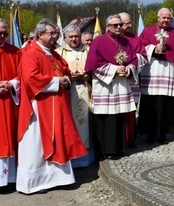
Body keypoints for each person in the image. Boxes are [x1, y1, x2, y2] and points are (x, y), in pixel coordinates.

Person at [17, 19, 87, 194]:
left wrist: (67, 79)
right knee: (38, 142)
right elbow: (30, 78)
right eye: (52, 33)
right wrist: (57, 81)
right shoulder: (31, 53)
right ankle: (36, 181)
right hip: (40, 107)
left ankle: (59, 178)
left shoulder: (53, 54)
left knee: (60, 137)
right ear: (40, 35)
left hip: (57, 102)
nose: (56, 36)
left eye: (56, 33)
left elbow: (65, 72)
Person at [85, 15, 138, 159]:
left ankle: (120, 147)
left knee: (120, 116)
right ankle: (105, 150)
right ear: (107, 27)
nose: (119, 27)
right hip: (105, 86)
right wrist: (114, 69)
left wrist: (129, 69)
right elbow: (93, 64)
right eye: (115, 25)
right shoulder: (99, 41)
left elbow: (133, 60)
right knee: (106, 117)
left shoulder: (125, 41)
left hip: (121, 86)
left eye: (120, 24)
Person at [138, 8, 174, 145]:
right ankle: (149, 134)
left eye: (168, 18)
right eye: (163, 17)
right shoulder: (148, 31)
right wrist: (153, 48)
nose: (165, 20)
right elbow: (140, 49)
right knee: (150, 104)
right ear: (158, 18)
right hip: (151, 73)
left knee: (166, 106)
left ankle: (163, 134)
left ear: (171, 19)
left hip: (169, 73)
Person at [0, 18, 21, 190]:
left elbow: (23, 75)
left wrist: (12, 84)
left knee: (10, 137)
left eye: (5, 34)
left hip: (9, 102)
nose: (2, 37)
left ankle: (9, 179)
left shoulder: (14, 51)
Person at [56, 24, 95, 167]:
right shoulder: (59, 52)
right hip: (68, 92)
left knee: (87, 123)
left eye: (76, 36)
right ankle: (71, 156)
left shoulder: (89, 51)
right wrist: (68, 78)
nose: (74, 39)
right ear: (64, 37)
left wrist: (88, 76)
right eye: (70, 36)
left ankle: (87, 158)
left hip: (87, 89)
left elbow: (97, 71)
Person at [119, 12, 147, 148]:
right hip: (116, 80)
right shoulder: (111, 38)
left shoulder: (135, 39)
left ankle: (130, 138)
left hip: (131, 79)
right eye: (126, 23)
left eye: (130, 23)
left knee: (130, 110)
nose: (129, 25)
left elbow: (143, 56)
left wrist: (130, 61)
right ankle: (118, 138)